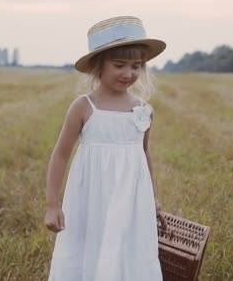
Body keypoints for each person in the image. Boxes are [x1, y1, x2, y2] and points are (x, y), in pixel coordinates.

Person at [45, 16, 166, 280]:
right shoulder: (84, 107)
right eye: (119, 65)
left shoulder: (143, 111)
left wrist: (153, 199)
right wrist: (52, 204)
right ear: (98, 66)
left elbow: (144, 155)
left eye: (136, 66)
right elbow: (60, 154)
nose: (129, 74)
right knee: (89, 252)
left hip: (132, 201)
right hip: (91, 199)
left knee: (128, 255)